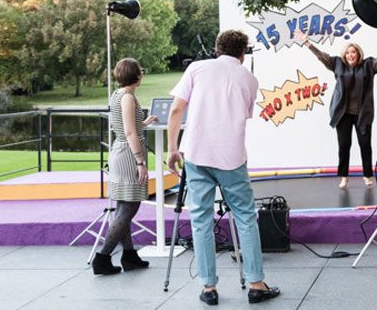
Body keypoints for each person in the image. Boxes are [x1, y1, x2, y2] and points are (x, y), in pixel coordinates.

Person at [166, 29, 280, 306]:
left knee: (201, 220)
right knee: (245, 217)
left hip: (197, 154)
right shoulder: (250, 79)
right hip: (231, 158)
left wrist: (172, 148)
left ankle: (209, 288)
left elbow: (176, 110)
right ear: (243, 52)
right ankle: (256, 283)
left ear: (217, 48)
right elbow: (243, 114)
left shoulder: (197, 68)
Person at [295, 29, 377, 189]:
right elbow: (321, 56)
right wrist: (306, 42)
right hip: (342, 113)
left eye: (354, 52)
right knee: (344, 145)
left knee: (365, 145)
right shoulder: (337, 63)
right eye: (348, 52)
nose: (351, 55)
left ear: (358, 54)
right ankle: (344, 177)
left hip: (362, 114)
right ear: (345, 55)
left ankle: (367, 175)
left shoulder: (368, 65)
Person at [92, 58, 157, 275]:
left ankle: (129, 256)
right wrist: (140, 162)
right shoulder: (129, 98)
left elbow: (126, 125)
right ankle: (102, 257)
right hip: (128, 156)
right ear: (136, 75)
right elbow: (129, 133)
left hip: (119, 151)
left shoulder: (118, 94)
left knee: (123, 208)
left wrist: (144, 123)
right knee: (129, 208)